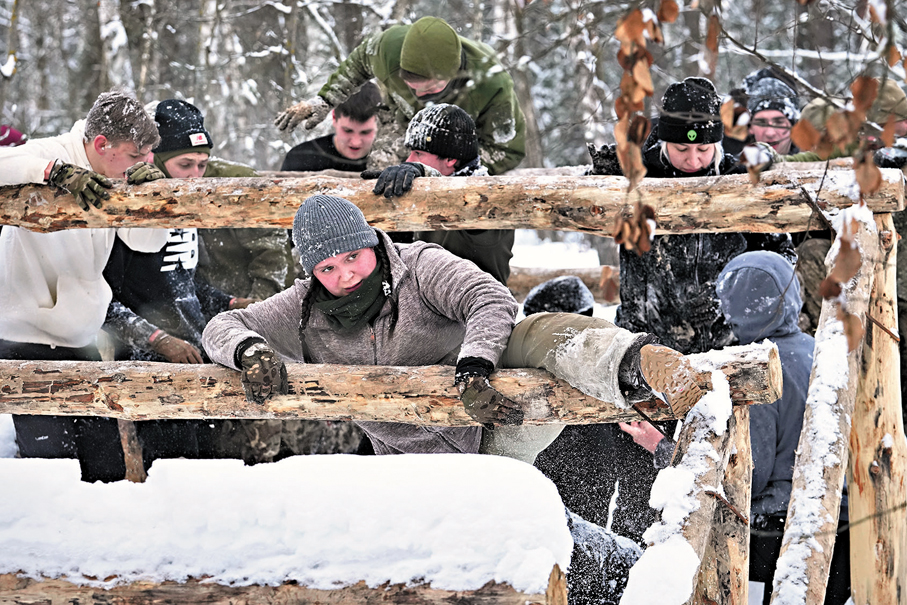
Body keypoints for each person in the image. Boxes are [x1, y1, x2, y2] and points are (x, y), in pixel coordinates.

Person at [202, 195, 710, 465]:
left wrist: (475, 364)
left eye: (352, 258)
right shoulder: (302, 308)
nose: (344, 276)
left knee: (533, 331)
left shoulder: (418, 265)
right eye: (327, 269)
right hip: (411, 460)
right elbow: (223, 325)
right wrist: (249, 350)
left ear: (371, 245)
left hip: (495, 423)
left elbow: (488, 297)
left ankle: (635, 367)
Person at [585, 76, 796, 542]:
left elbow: (779, 258)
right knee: (644, 486)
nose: (694, 160)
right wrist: (601, 181)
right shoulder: (635, 173)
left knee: (716, 472)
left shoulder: (743, 177)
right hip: (647, 342)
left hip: (724, 348)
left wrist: (742, 297)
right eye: (683, 151)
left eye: (704, 152)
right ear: (663, 139)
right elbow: (576, 206)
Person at [621, 251, 850, 604]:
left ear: (733, 306)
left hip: (781, 533)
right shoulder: (818, 351)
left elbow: (745, 474)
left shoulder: (756, 371)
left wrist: (660, 446)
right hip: (841, 519)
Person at [0, 90, 169, 482]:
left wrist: (150, 198)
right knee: (50, 471)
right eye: (134, 155)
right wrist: (53, 173)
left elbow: (147, 242)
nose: (141, 163)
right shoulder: (51, 150)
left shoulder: (118, 173)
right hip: (25, 338)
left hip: (82, 338)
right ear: (100, 144)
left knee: (106, 467)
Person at [273, 16, 526, 176]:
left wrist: (452, 170)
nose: (418, 92)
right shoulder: (388, 47)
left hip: (462, 152)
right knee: (383, 176)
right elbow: (358, 63)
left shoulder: (492, 82)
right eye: (410, 83)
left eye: (429, 87)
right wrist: (325, 100)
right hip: (405, 126)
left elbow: (508, 150)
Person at [366, 103, 514, 285]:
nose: (409, 160)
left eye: (418, 153)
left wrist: (427, 174)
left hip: (477, 307)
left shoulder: (490, 199)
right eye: (410, 153)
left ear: (451, 159)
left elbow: (466, 200)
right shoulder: (424, 194)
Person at [280, 82, 382, 173]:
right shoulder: (301, 157)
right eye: (347, 131)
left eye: (365, 132)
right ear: (334, 118)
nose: (356, 142)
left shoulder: (392, 161)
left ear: (379, 123)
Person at [746, 71, 801, 155]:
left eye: (779, 122)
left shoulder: (820, 164)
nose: (770, 133)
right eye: (761, 123)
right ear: (750, 128)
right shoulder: (731, 165)